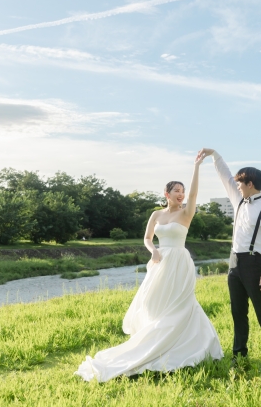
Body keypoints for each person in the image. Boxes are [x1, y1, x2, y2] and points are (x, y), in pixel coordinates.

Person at [75, 153, 223, 382]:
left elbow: (194, 193)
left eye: (183, 191)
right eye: (177, 191)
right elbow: (146, 238)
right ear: (167, 194)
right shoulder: (156, 214)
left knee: (180, 305)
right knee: (153, 304)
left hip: (179, 263)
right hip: (160, 262)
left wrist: (197, 166)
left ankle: (184, 346)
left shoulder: (186, 212)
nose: (182, 195)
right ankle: (152, 342)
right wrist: (153, 249)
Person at [198, 148, 261, 368]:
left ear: (250, 184)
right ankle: (239, 355)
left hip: (255, 264)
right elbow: (225, 177)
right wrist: (214, 155)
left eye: (240, 183)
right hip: (234, 262)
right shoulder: (238, 201)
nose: (236, 186)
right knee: (238, 312)